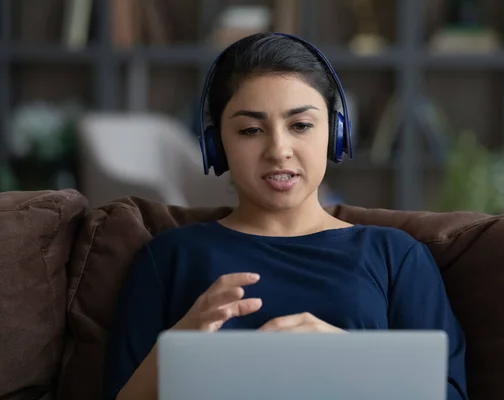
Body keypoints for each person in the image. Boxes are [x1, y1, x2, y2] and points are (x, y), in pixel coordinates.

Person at [102, 32, 469, 400]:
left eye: (301, 126)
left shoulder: (396, 257)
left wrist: (351, 359)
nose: (279, 150)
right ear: (217, 147)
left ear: (335, 134)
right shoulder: (168, 258)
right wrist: (178, 345)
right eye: (250, 130)